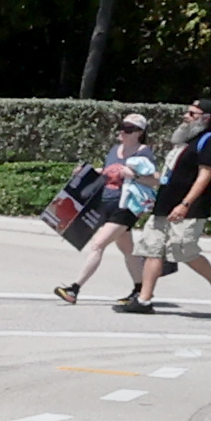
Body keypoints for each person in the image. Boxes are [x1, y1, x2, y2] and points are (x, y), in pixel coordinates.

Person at [126, 95, 211, 317]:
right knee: (152, 249)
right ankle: (143, 300)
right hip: (165, 204)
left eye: (191, 114)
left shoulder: (210, 142)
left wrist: (185, 204)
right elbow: (170, 175)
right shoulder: (185, 142)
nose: (185, 116)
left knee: (183, 251)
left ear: (205, 118)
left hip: (189, 207)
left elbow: (205, 176)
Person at [52, 113, 158, 306]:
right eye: (121, 127)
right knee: (127, 249)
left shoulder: (143, 152)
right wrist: (87, 171)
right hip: (105, 203)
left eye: (128, 129)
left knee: (97, 245)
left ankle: (74, 289)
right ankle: (140, 289)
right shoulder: (115, 150)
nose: (122, 132)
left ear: (139, 133)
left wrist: (132, 176)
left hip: (126, 207)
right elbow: (108, 172)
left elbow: (155, 180)